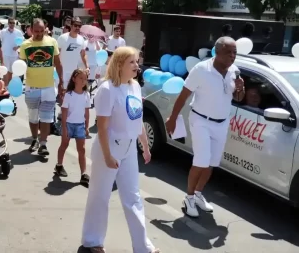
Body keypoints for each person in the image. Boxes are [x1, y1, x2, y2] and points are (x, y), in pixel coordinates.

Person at [81, 46, 158, 253]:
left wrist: (145, 145)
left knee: (133, 198)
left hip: (129, 149)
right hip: (110, 148)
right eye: (131, 62)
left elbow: (137, 119)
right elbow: (103, 127)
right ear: (119, 64)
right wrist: (107, 156)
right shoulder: (107, 89)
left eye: (137, 61)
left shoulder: (135, 87)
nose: (137, 66)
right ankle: (92, 241)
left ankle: (143, 247)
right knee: (100, 196)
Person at [165, 36, 245, 218]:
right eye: (228, 52)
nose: (232, 56)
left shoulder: (235, 72)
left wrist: (241, 88)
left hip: (222, 123)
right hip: (201, 120)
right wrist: (173, 117)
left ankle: (199, 194)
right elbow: (184, 95)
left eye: (235, 53)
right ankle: (189, 197)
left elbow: (238, 98)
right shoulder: (201, 70)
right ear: (217, 52)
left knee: (212, 162)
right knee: (201, 160)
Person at [19, 18, 63, 156]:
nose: (39, 33)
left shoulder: (52, 42)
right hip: (31, 87)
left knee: (47, 117)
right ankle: (34, 139)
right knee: (33, 117)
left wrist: (62, 81)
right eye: (36, 31)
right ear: (31, 30)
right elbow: (20, 66)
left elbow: (58, 63)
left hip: (49, 87)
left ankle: (43, 143)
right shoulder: (25, 45)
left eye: (41, 31)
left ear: (45, 29)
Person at [56, 68, 91, 186]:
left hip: (80, 125)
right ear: (74, 79)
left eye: (85, 79)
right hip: (69, 124)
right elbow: (64, 111)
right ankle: (59, 165)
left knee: (82, 149)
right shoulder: (69, 95)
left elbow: (87, 112)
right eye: (80, 78)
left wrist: (86, 126)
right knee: (64, 145)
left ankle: (83, 174)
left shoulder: (86, 94)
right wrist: (65, 128)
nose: (83, 81)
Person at [57, 17, 89, 89]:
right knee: (62, 95)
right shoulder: (62, 38)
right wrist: (58, 69)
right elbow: (57, 54)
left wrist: (87, 67)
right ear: (71, 25)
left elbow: (83, 54)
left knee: (72, 94)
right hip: (62, 73)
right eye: (75, 25)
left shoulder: (81, 39)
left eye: (79, 26)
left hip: (74, 73)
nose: (77, 27)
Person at [0, 17, 23, 84]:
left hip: (14, 55)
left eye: (13, 23)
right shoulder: (3, 31)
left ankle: (8, 86)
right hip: (5, 54)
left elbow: (22, 42)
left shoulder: (18, 32)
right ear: (8, 23)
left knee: (11, 72)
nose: (12, 24)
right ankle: (5, 87)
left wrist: (17, 47)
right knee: (5, 71)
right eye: (11, 23)